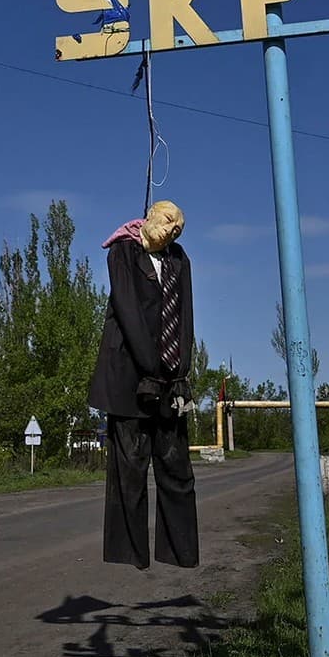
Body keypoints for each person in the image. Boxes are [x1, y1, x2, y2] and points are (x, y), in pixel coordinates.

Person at [88, 200, 198, 570]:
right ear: (149, 216)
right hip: (129, 375)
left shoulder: (180, 260)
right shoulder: (123, 251)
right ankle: (130, 552)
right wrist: (149, 368)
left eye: (178, 228)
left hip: (169, 377)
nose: (172, 231)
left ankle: (180, 550)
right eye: (168, 221)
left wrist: (181, 372)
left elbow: (185, 318)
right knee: (130, 467)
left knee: (176, 464)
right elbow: (128, 310)